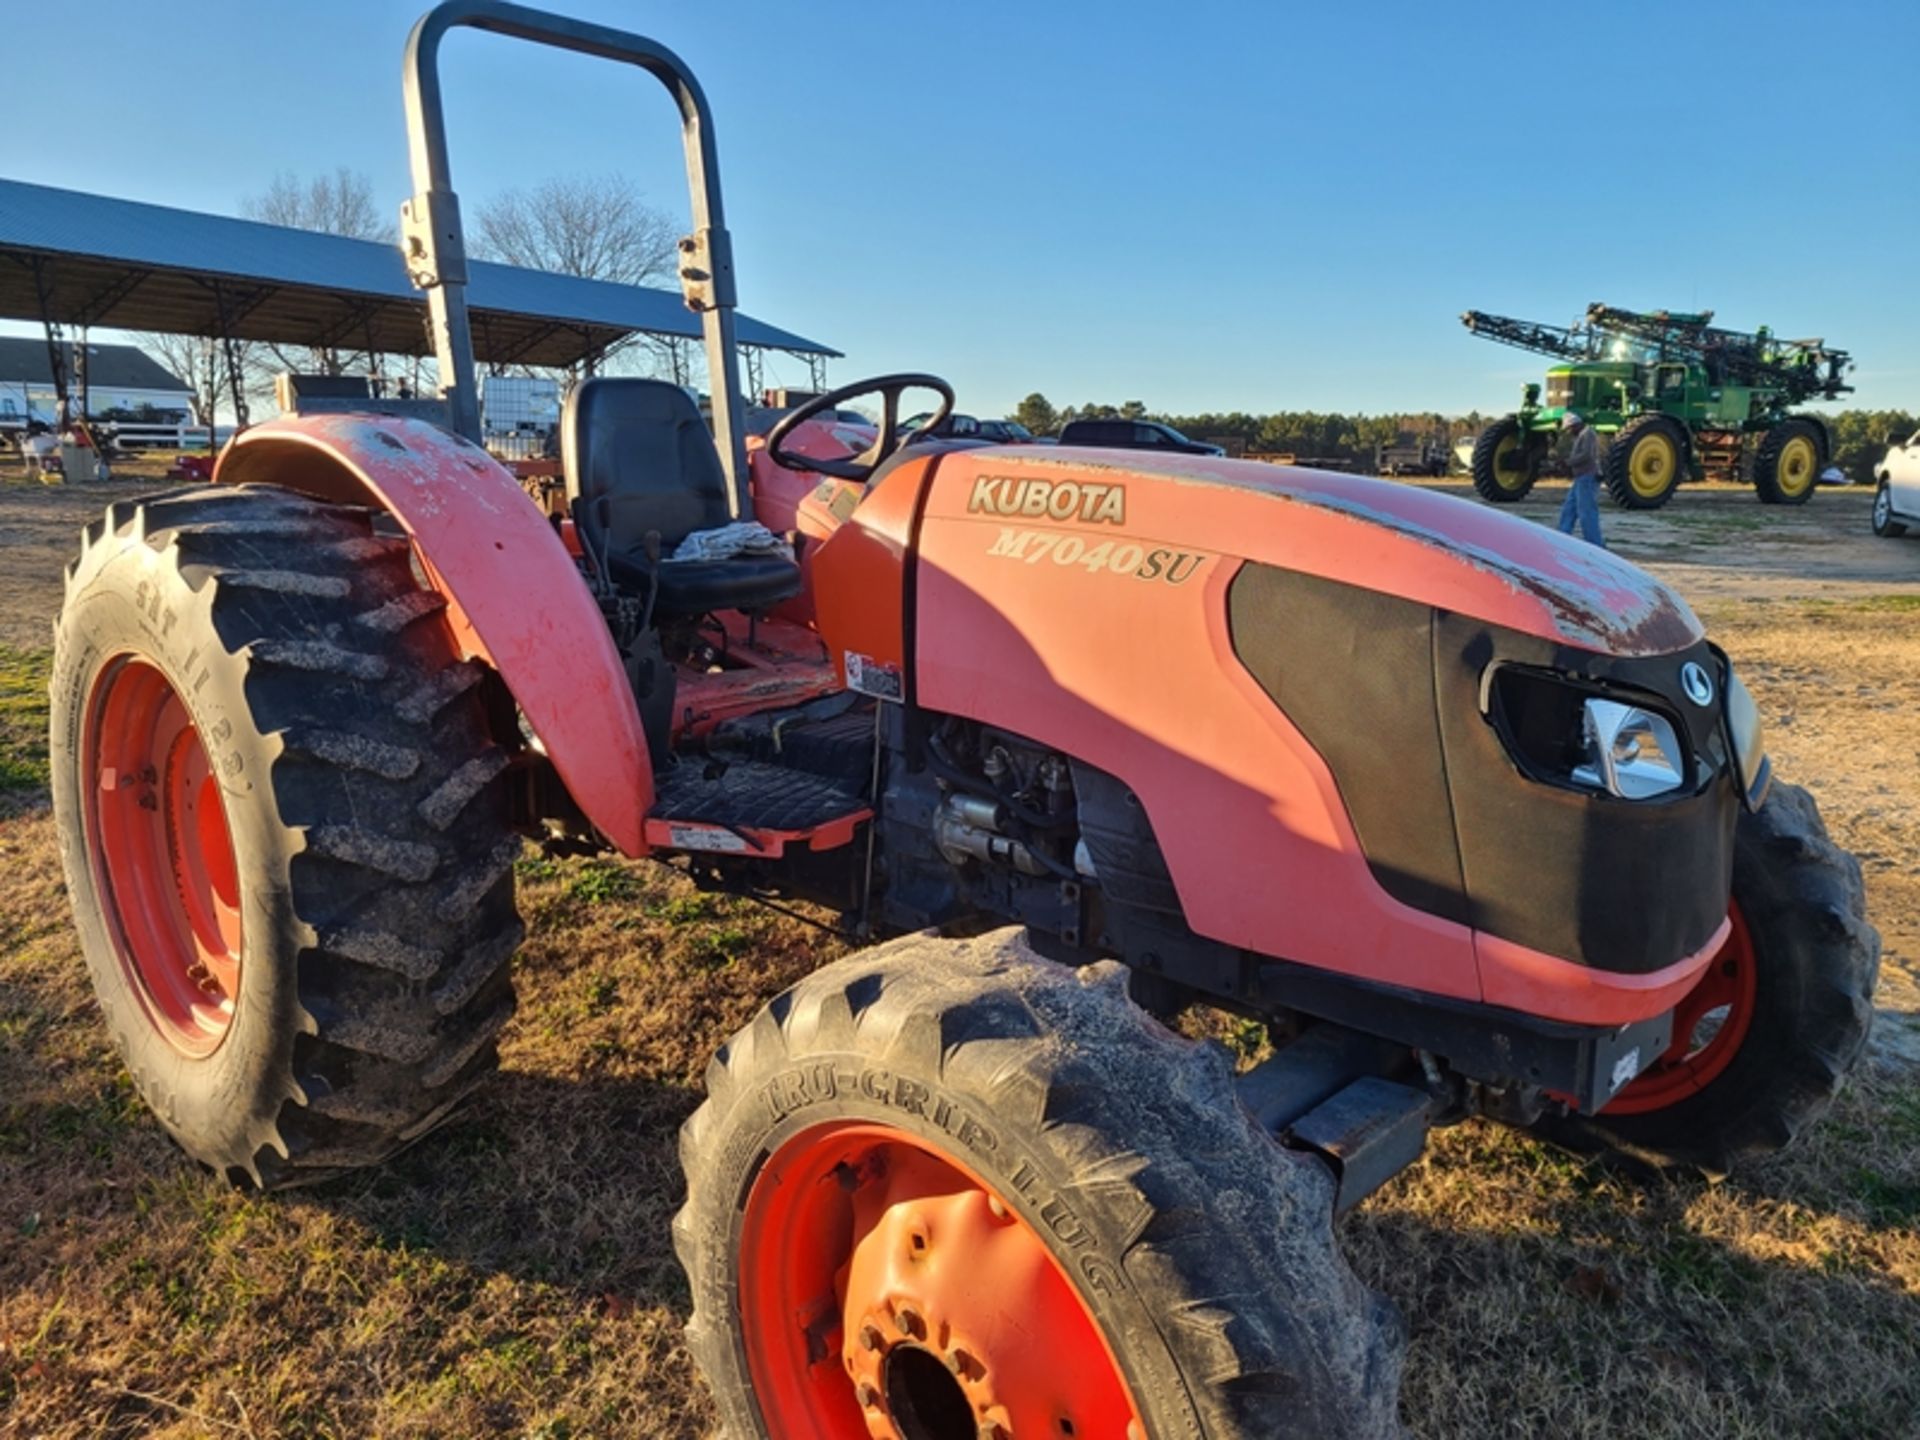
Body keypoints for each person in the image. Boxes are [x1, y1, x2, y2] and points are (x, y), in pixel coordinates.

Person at [1555, 412, 1604, 548]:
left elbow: (1586, 455)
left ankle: (1595, 545)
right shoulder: (1582, 435)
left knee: (1586, 512)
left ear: (1575, 425)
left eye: (1570, 429)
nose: (1569, 432)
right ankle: (1562, 538)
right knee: (1569, 509)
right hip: (1580, 478)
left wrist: (1568, 462)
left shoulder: (1588, 434)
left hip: (1587, 477)